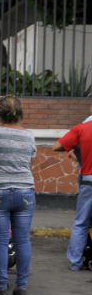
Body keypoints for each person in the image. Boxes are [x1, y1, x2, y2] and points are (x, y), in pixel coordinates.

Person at [0, 96, 36, 295]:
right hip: (25, 190)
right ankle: (21, 286)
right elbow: (29, 161)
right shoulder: (29, 136)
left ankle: (1, 286)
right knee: (22, 240)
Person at [52, 110, 92, 272]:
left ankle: (75, 262)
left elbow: (56, 146)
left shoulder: (82, 128)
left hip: (88, 181)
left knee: (81, 223)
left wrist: (77, 150)